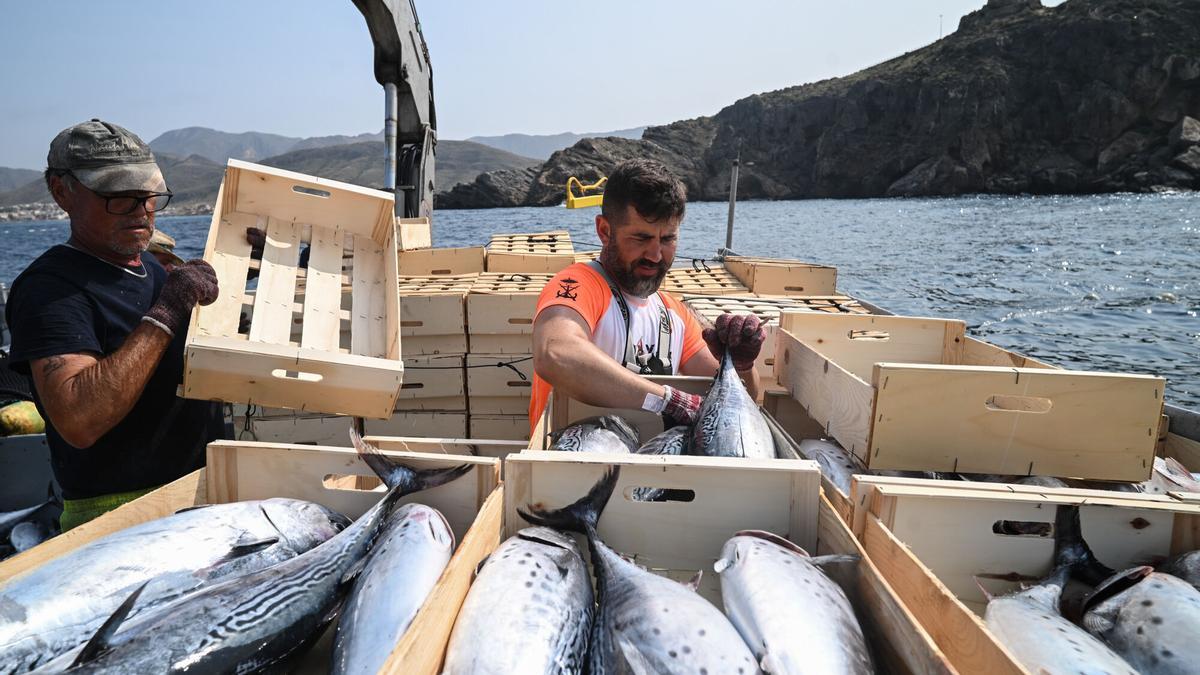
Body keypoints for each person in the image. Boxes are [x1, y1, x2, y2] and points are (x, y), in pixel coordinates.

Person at [4, 119, 226, 531]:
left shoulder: (150, 270)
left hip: (197, 494)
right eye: (119, 196)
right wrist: (167, 312)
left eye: (149, 196)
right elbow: (78, 419)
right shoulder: (49, 289)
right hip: (119, 519)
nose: (141, 211)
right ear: (61, 192)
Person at [529, 158, 764, 431]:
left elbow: (742, 401)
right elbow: (554, 354)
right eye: (641, 238)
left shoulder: (674, 314)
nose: (655, 255)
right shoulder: (580, 285)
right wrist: (664, 400)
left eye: (667, 240)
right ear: (604, 231)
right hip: (569, 466)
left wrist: (743, 365)